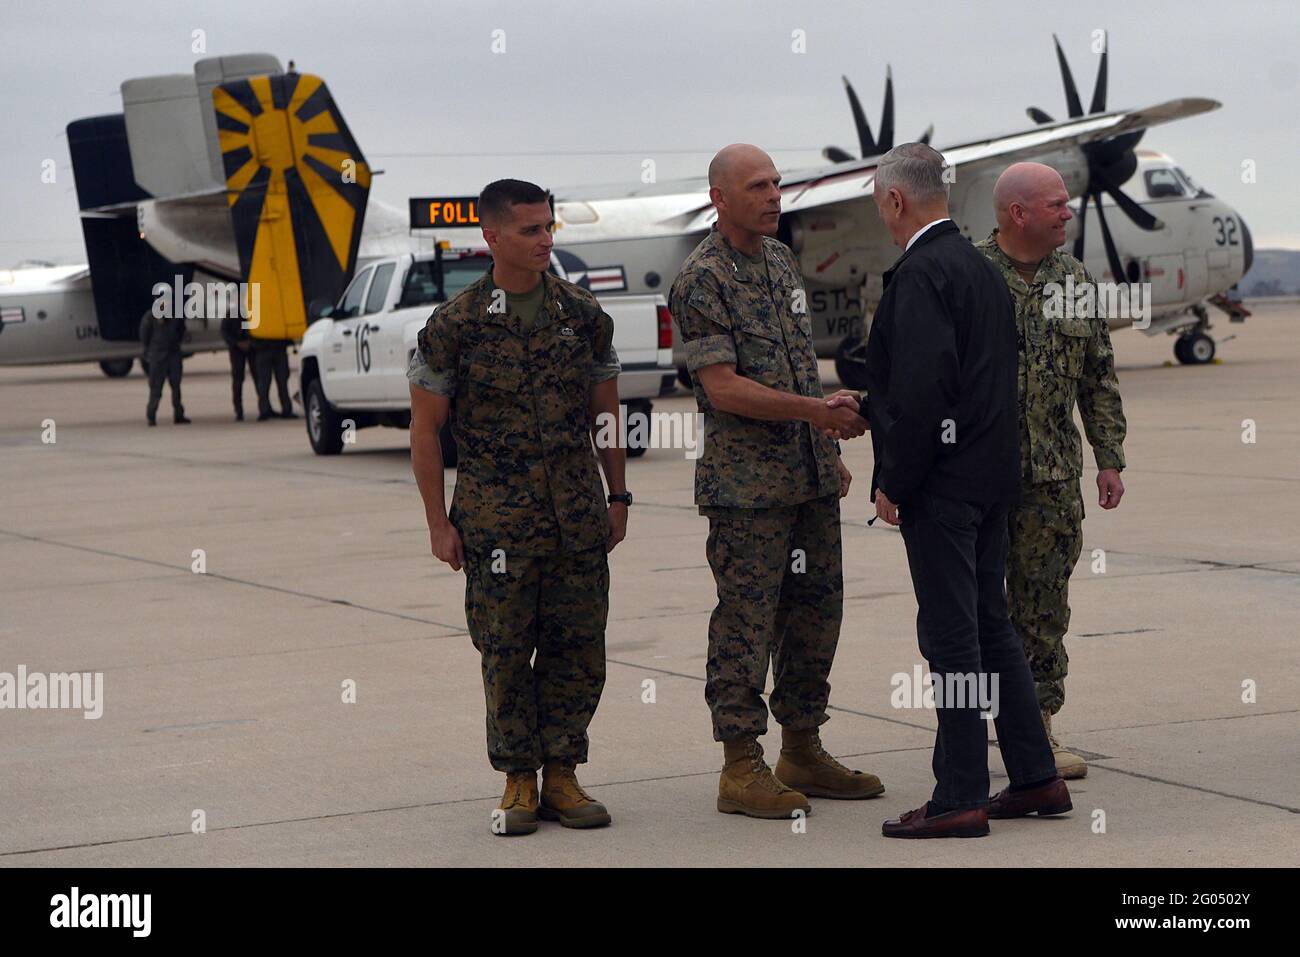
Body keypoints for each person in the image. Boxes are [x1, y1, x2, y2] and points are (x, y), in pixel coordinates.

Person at [857, 143, 1068, 839]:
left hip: (943, 487)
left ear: (895, 200)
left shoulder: (920, 275)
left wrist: (894, 478)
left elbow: (924, 391)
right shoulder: (982, 269)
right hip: (990, 478)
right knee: (989, 624)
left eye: (879, 206)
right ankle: (1035, 774)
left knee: (952, 639)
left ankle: (960, 794)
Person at [669, 144, 882, 822]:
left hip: (807, 476)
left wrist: (826, 440)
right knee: (746, 624)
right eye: (757, 185)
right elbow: (724, 387)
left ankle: (802, 748)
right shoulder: (702, 279)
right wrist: (815, 413)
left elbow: (795, 364)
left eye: (776, 182)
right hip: (747, 489)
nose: (773, 194)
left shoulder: (782, 259)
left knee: (817, 614)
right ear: (720, 197)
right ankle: (740, 764)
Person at [408, 179, 627, 837]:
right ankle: (518, 778)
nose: (545, 240)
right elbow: (425, 431)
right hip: (496, 522)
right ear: (493, 237)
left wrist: (618, 495)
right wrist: (437, 521)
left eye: (549, 227)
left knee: (579, 647)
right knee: (504, 651)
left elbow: (606, 414)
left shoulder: (582, 316)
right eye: (530, 230)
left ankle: (563, 772)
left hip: (577, 517)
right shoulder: (455, 326)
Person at [975, 162, 1128, 779]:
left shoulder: (1075, 281)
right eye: (1058, 205)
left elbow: (1098, 376)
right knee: (976, 608)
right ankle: (970, 731)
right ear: (1018, 213)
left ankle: (1036, 730)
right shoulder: (970, 276)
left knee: (1042, 605)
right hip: (980, 479)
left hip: (1053, 479)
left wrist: (1109, 456)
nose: (1069, 213)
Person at [139, 308, 190, 426]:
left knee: (176, 386)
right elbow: (144, 334)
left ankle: (178, 414)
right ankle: (151, 416)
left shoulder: (175, 315)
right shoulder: (151, 316)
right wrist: (149, 349)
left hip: (172, 354)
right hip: (159, 356)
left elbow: (181, 330)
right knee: (156, 388)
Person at [251, 337, 297, 420]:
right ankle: (268, 410)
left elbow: (245, 326)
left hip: (273, 348)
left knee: (279, 383)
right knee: (267, 384)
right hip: (266, 349)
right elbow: (244, 326)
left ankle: (269, 410)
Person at [220, 314, 252, 422]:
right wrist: (237, 343)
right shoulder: (231, 315)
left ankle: (264, 408)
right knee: (238, 380)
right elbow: (224, 332)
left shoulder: (250, 311)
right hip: (236, 350)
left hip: (251, 348)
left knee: (260, 380)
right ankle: (239, 411)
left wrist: (250, 341)